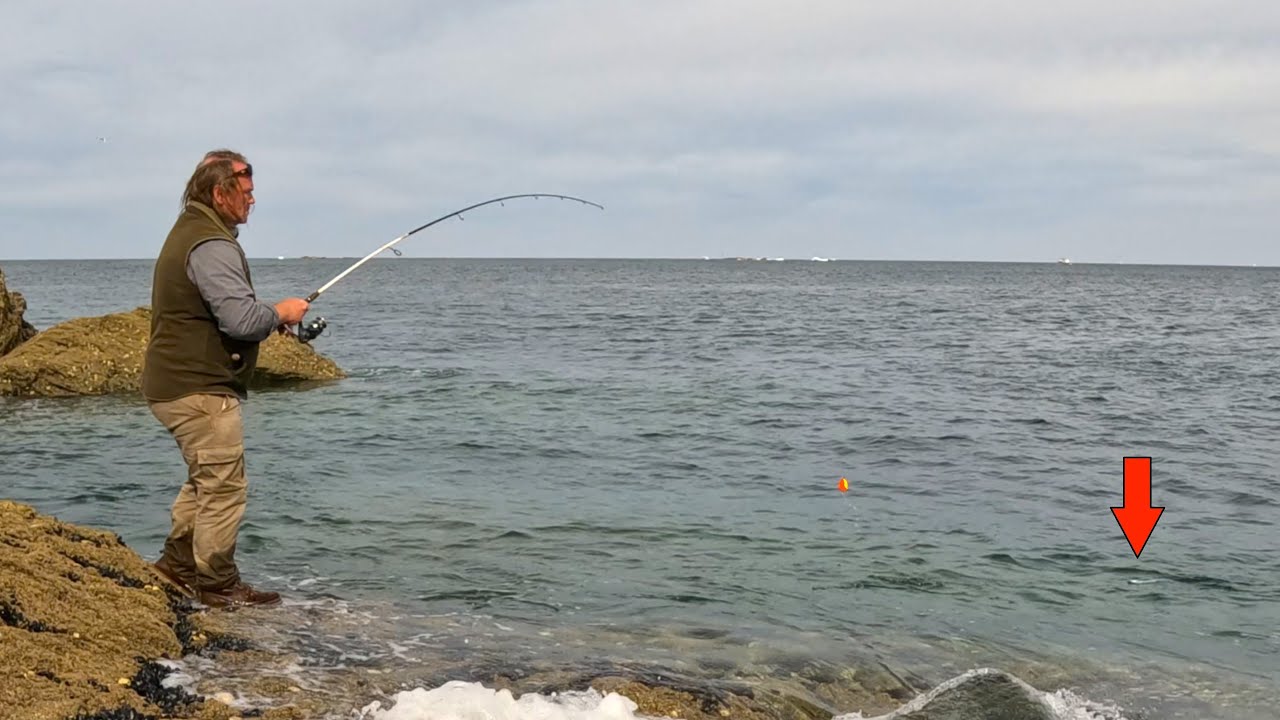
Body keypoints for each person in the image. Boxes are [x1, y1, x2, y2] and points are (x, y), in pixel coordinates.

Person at [142, 149, 310, 608]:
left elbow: (228, 313)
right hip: (198, 388)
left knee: (205, 479)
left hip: (175, 384)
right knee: (223, 486)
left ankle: (176, 569)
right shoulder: (211, 244)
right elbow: (238, 319)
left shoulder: (192, 232)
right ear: (220, 193)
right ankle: (217, 585)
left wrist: (264, 317)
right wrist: (280, 311)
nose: (253, 201)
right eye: (246, 193)